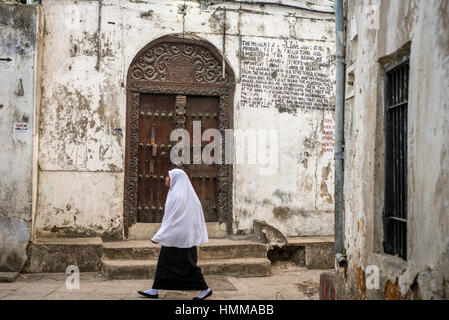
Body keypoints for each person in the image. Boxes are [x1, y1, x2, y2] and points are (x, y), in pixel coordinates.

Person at [138, 168, 213, 300]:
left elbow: (173, 220)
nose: (166, 179)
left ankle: (205, 289)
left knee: (188, 265)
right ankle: (154, 290)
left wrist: (159, 236)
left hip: (182, 238)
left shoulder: (179, 196)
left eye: (168, 176)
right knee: (164, 262)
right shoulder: (178, 193)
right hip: (177, 237)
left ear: (176, 179)